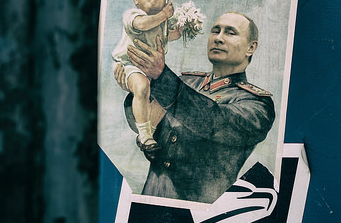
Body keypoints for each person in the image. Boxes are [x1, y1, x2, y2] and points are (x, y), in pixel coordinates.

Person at [115, 11, 275, 204]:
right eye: (215, 31)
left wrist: (161, 77)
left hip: (199, 216)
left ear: (251, 47)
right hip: (151, 198)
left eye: (230, 33)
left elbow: (213, 122)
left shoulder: (257, 104)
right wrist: (139, 87)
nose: (218, 38)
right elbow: (149, 124)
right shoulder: (186, 82)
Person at [112, 0, 181, 153]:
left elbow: (168, 36)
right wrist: (164, 15)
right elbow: (143, 25)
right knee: (141, 87)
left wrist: (181, 30)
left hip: (151, 69)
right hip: (129, 64)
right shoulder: (133, 15)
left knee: (169, 93)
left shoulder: (164, 22)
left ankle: (147, 132)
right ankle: (145, 134)